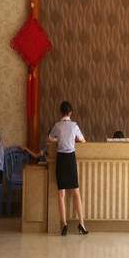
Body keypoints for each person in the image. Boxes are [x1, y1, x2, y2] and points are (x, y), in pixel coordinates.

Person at [48, 101, 88, 236]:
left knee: (61, 194)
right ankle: (81, 224)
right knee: (76, 192)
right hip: (70, 159)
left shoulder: (57, 125)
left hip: (61, 159)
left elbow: (49, 138)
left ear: (61, 112)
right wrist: (72, 140)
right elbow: (82, 140)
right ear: (70, 112)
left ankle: (64, 225)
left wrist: (59, 140)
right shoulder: (74, 125)